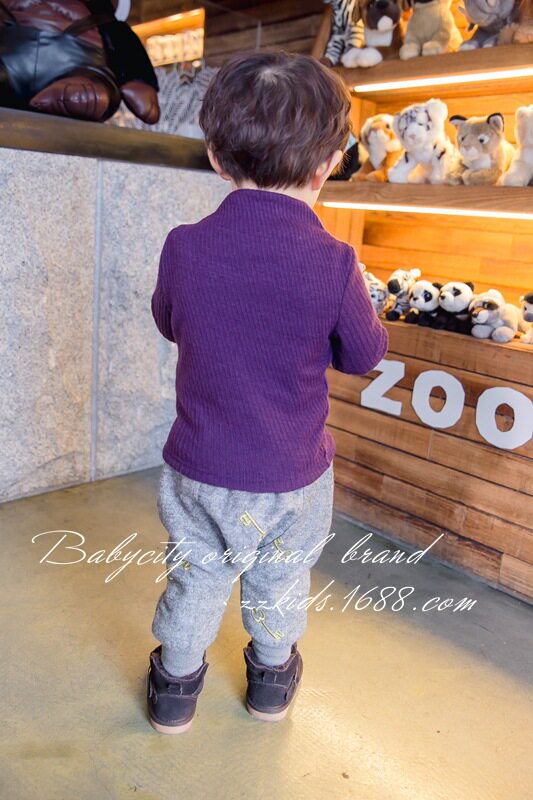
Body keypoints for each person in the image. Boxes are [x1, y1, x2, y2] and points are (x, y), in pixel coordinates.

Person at [146, 50, 388, 734]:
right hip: (292, 474)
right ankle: (271, 686)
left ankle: (174, 691)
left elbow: (169, 321)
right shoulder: (335, 262)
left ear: (216, 157)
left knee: (197, 574)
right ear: (329, 164)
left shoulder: (184, 246)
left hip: (199, 466)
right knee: (279, 578)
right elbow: (364, 354)